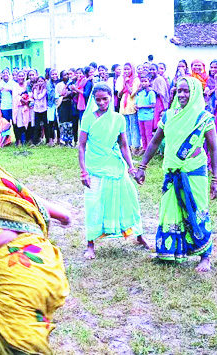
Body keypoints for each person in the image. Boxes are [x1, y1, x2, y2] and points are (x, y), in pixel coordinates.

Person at [0, 152, 71, 355]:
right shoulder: (16, 194)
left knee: (16, 344)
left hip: (17, 277)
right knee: (31, 331)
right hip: (48, 267)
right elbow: (65, 215)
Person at [134, 77, 217, 272]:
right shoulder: (168, 115)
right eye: (179, 91)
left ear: (195, 93)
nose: (182, 95)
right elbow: (155, 142)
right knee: (170, 210)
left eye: (186, 91)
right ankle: (170, 251)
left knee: (196, 210)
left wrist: (216, 179)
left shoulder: (204, 118)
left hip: (194, 172)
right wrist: (142, 166)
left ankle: (205, 256)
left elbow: (214, 150)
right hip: (172, 172)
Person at [77, 83, 147, 260]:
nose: (101, 102)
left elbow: (123, 145)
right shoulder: (88, 119)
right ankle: (90, 244)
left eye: (105, 99)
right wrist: (83, 172)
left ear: (111, 98)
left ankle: (139, 235)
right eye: (98, 99)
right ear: (94, 99)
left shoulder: (119, 119)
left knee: (130, 199)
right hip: (95, 166)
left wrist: (131, 167)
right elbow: (81, 146)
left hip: (116, 166)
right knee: (93, 203)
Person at [118, 63, 141, 154]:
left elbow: (132, 92)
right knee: (126, 127)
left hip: (132, 105)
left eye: (128, 69)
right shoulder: (123, 79)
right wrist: (124, 85)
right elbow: (119, 94)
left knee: (134, 127)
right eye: (125, 69)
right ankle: (127, 146)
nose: (126, 71)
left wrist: (127, 83)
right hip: (124, 106)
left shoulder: (136, 80)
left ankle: (136, 147)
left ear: (132, 69)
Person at [11, 71, 33, 146]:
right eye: (19, 76)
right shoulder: (15, 86)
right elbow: (15, 96)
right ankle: (19, 141)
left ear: (24, 77)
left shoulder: (27, 85)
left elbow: (30, 94)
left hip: (27, 107)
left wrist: (27, 101)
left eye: (22, 76)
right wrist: (22, 99)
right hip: (19, 107)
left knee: (28, 122)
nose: (21, 77)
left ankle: (29, 139)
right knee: (19, 124)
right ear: (17, 77)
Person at [135, 76, 156, 152]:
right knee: (142, 134)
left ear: (149, 82)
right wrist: (136, 107)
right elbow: (136, 103)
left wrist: (142, 106)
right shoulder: (140, 93)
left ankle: (150, 150)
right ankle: (144, 148)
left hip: (148, 116)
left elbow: (153, 105)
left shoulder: (151, 92)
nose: (143, 83)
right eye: (142, 81)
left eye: (145, 81)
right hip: (140, 116)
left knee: (148, 134)